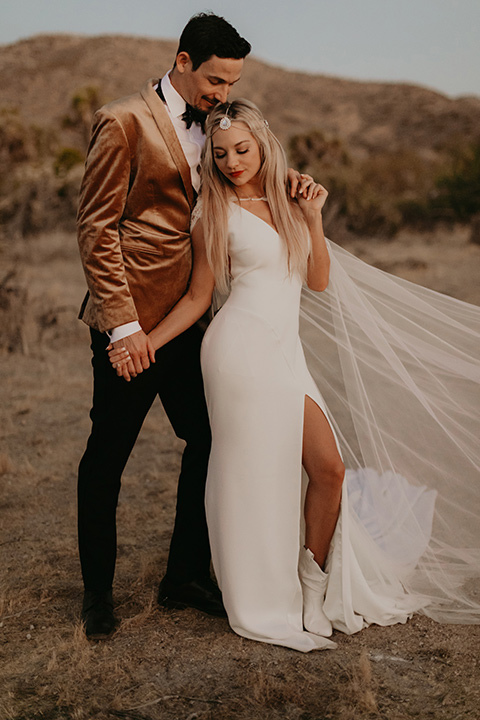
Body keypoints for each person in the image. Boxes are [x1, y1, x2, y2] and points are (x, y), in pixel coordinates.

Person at [110, 99, 480, 652]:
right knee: (259, 476)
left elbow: (319, 281)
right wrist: (145, 340)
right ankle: (264, 594)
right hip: (238, 351)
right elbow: (198, 298)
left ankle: (312, 588)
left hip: (286, 351)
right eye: (221, 154)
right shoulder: (212, 211)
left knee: (328, 469)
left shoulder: (288, 201)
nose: (233, 162)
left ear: (261, 143)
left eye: (242, 149)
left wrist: (312, 218)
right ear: (210, 159)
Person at [76, 13, 252, 640]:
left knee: (209, 438)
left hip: (188, 320)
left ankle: (183, 576)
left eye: (230, 83)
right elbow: (97, 228)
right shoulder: (124, 119)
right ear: (182, 60)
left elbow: (241, 176)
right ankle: (97, 595)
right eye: (213, 81)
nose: (221, 95)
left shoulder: (219, 124)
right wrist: (123, 329)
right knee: (108, 459)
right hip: (129, 326)